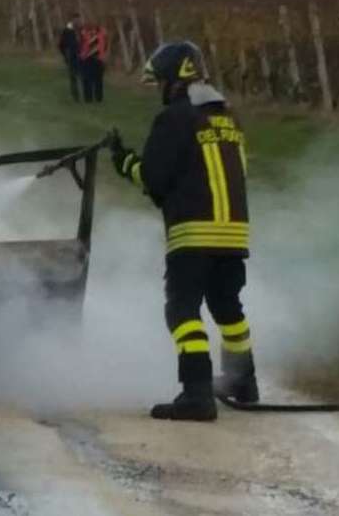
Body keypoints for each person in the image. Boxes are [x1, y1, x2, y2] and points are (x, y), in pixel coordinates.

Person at [109, 41, 259, 421]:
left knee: (182, 311)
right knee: (228, 308)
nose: (160, 89)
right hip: (235, 236)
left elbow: (155, 180)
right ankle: (243, 382)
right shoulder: (229, 119)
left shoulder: (174, 120)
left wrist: (124, 162)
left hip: (193, 235)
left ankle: (196, 394)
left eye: (160, 81)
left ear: (175, 81)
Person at [78, 22, 109, 103]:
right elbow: (80, 45)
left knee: (98, 80)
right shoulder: (83, 32)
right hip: (86, 58)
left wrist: (104, 56)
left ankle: (99, 98)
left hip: (98, 59)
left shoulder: (102, 32)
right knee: (87, 79)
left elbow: (106, 45)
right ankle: (88, 98)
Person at [58, 13, 82, 103]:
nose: (78, 21)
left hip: (81, 56)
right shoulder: (67, 30)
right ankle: (76, 96)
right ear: (72, 20)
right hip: (71, 57)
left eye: (79, 20)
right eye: (77, 20)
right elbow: (61, 45)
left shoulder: (80, 29)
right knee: (73, 77)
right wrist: (65, 55)